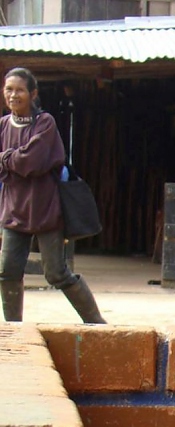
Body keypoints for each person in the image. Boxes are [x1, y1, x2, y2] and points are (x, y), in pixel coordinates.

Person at [0, 67, 105, 324]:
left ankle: (95, 321)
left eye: (20, 90)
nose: (13, 95)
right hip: (14, 210)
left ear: (33, 93)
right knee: (7, 272)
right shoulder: (3, 125)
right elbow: (24, 160)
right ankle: (15, 327)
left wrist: (6, 158)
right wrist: (17, 157)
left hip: (46, 209)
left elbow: (31, 162)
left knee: (56, 273)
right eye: (9, 89)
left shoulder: (45, 122)